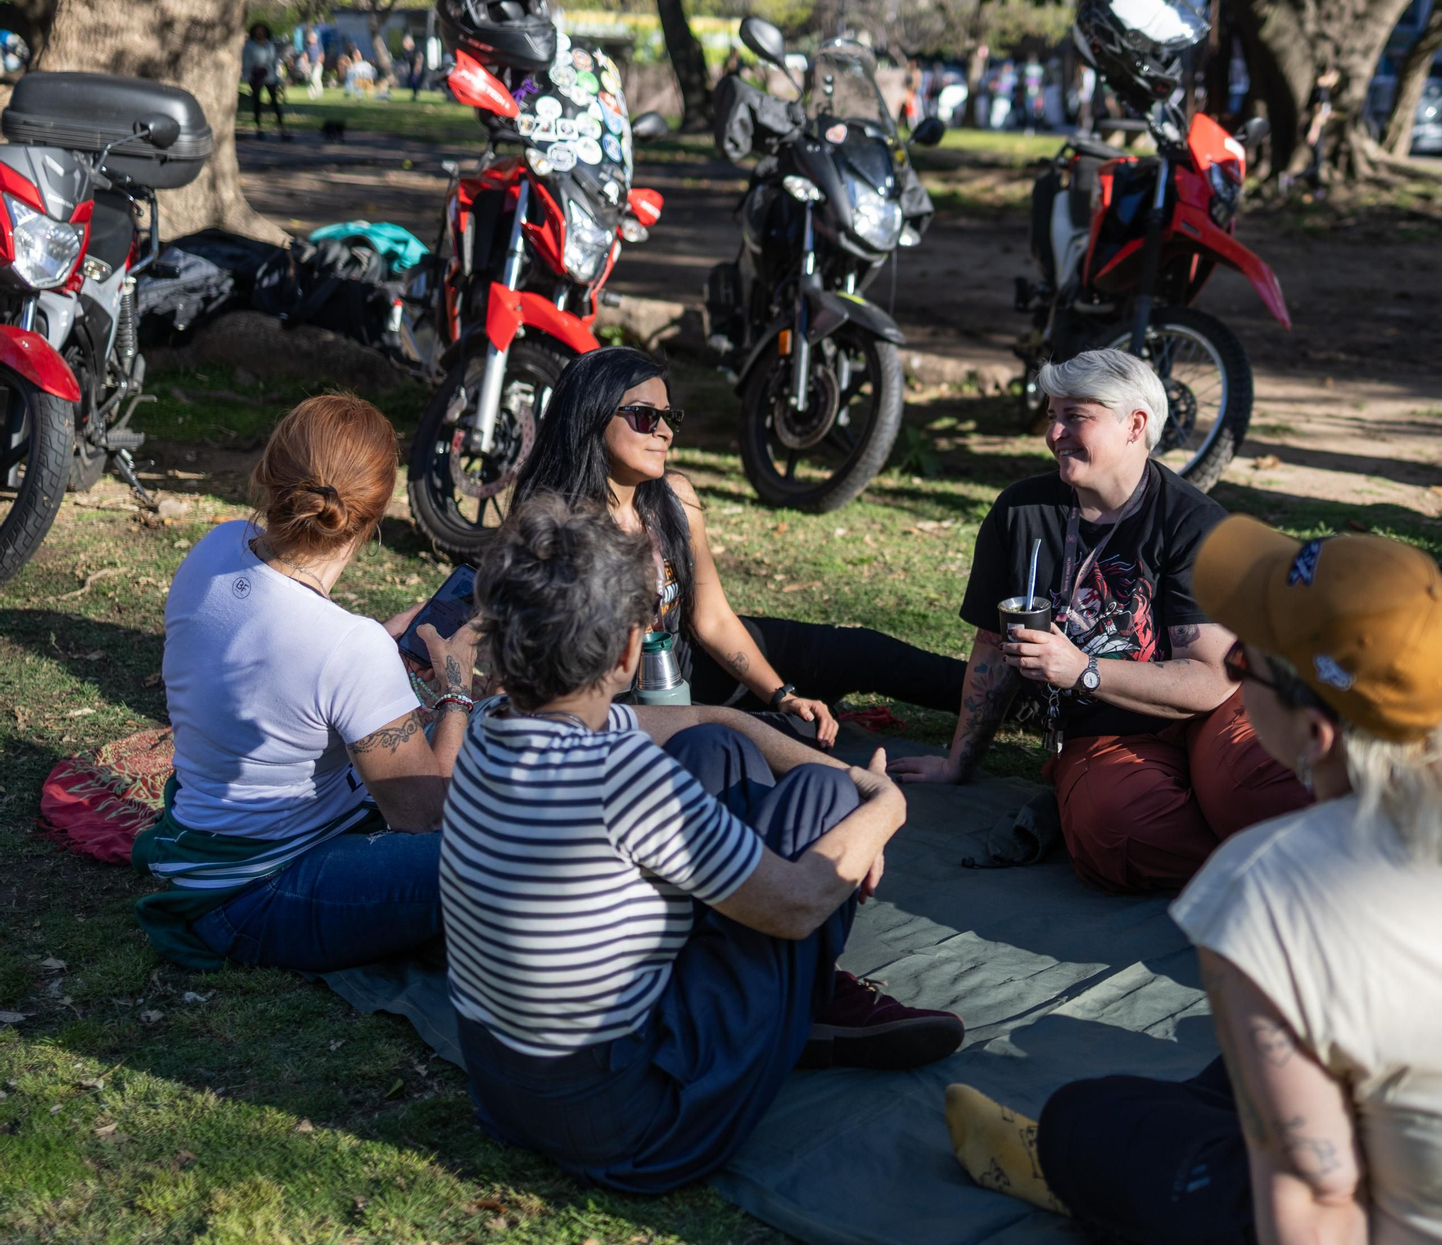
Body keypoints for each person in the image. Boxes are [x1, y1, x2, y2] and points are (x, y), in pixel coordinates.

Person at [945, 517, 1442, 1245]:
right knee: (1247, 1071)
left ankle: (1073, 1162)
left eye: (1242, 661)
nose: (1231, 677)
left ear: (1313, 731)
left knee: (1092, 1118)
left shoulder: (1275, 888)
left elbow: (1316, 1212)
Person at [443, 496, 962, 1193]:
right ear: (630, 649)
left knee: (714, 745)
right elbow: (800, 902)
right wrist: (880, 802)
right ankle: (803, 1009)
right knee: (824, 803)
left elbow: (707, 720)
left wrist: (825, 765)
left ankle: (792, 1005)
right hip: (639, 1126)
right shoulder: (621, 777)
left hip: (506, 1094)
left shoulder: (488, 729)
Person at [888, 350, 1310, 893]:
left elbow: (1208, 679)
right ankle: (1277, 872)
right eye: (1052, 416)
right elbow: (993, 648)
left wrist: (1083, 669)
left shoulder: (1194, 524)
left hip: (1214, 710)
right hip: (1104, 731)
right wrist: (957, 764)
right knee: (1118, 831)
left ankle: (1329, 865)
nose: (1056, 433)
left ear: (1135, 425)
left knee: (1262, 787)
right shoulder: (1021, 513)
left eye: (1075, 416)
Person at [132, 394, 480, 972]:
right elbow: (426, 816)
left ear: (272, 472)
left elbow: (283, 642)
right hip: (253, 894)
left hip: (204, 845)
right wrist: (456, 693)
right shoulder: (349, 647)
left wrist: (383, 642)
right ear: (373, 518)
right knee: (496, 854)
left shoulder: (215, 547)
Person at [512, 348, 968, 740]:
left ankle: (1011, 696)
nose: (665, 432)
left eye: (669, 418)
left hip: (689, 656)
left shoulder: (674, 498)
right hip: (622, 697)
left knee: (860, 653)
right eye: (646, 417)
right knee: (783, 740)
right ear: (590, 414)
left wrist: (783, 694)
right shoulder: (557, 530)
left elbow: (710, 618)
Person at [242, 22, 289, 141]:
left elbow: (273, 62)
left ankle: (282, 128)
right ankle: (259, 128)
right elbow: (245, 61)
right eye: (258, 30)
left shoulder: (269, 45)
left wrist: (277, 78)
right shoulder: (249, 45)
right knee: (257, 102)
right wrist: (250, 74)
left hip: (269, 76)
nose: (260, 33)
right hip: (255, 77)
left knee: (274, 101)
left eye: (262, 30)